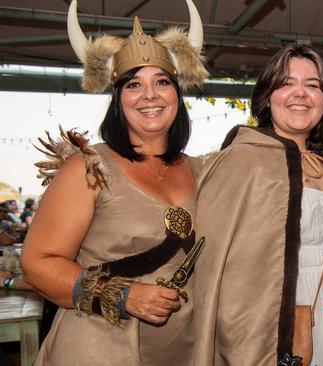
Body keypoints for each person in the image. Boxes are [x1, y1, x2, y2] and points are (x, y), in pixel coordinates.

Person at [20, 1, 208, 364]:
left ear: (177, 94)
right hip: (98, 347)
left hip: (182, 348)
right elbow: (38, 263)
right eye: (134, 84)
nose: (150, 95)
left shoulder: (203, 171)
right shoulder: (88, 167)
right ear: (118, 98)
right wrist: (123, 295)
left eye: (162, 82)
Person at [193, 44, 323, 365]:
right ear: (267, 97)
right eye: (287, 83)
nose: (301, 94)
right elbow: (215, 266)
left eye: (312, 85)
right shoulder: (240, 163)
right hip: (267, 327)